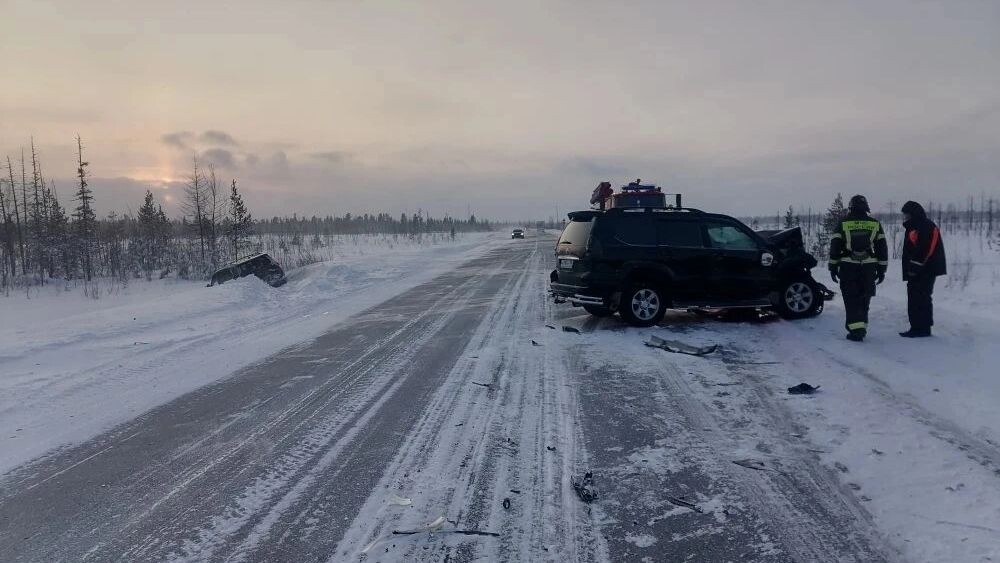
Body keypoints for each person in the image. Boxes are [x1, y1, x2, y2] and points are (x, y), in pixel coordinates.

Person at [828, 195, 889, 342]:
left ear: (851, 207)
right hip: (869, 267)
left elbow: (835, 246)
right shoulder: (875, 224)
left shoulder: (843, 223)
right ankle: (861, 326)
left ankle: (857, 330)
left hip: (848, 266)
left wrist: (833, 266)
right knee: (865, 297)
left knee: (851, 298)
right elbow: (882, 248)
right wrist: (882, 269)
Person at [900, 201, 946, 337]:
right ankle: (918, 327)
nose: (905, 217)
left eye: (907, 214)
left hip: (926, 270)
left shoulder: (926, 226)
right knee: (915, 297)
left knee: (921, 298)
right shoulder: (914, 226)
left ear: (913, 214)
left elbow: (927, 249)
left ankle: (922, 328)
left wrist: (915, 266)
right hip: (918, 270)